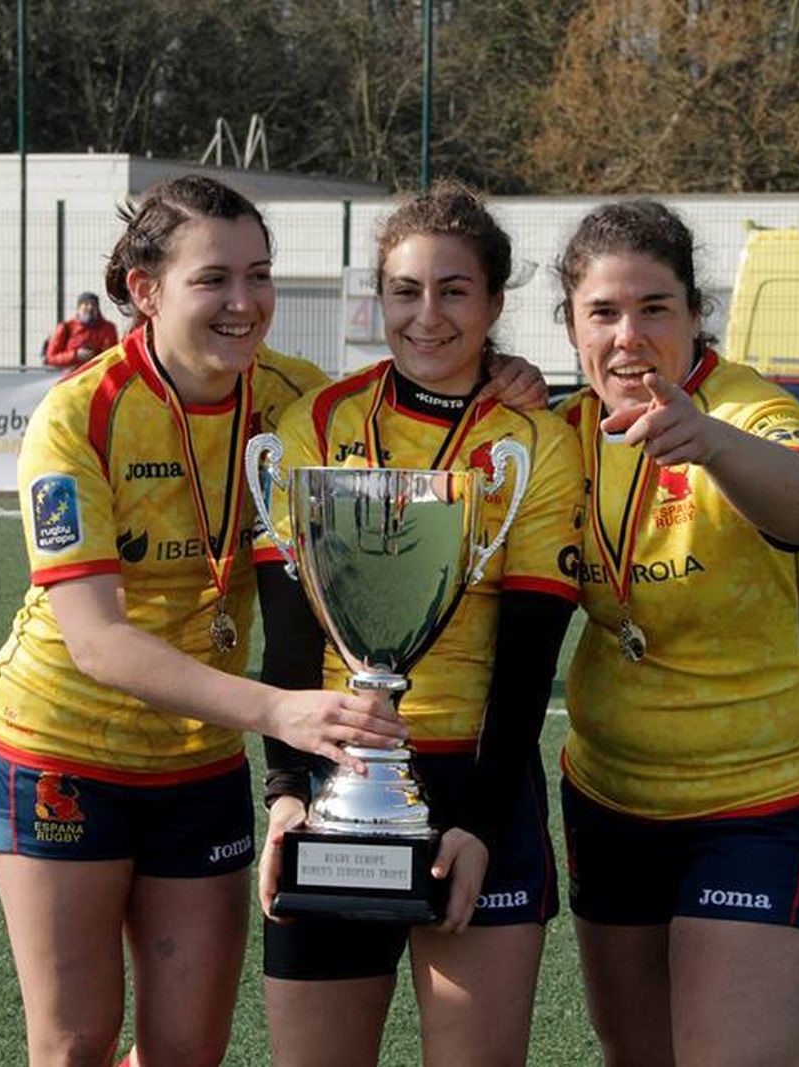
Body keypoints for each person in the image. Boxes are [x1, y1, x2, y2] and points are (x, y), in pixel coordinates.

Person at [0, 175, 413, 1067]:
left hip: (199, 761)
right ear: (146, 288)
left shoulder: (301, 399)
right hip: (61, 748)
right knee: (75, 1042)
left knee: (186, 1051)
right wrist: (278, 711)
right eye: (214, 279)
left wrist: (510, 374)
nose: (244, 303)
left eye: (260, 275)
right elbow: (95, 640)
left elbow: (429, 411)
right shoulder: (76, 416)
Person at [254, 181, 584, 1066]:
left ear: (494, 303)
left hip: (480, 787)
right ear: (380, 298)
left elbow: (529, 652)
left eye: (453, 291)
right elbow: (287, 637)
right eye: (405, 291)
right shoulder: (317, 423)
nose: (426, 315)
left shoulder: (534, 438)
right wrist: (286, 790)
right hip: (335, 786)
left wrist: (475, 820)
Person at [552, 200, 799, 1067]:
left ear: (694, 313)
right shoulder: (564, 431)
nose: (628, 336)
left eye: (655, 309)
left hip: (759, 801)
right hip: (609, 798)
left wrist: (712, 442)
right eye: (602, 312)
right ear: (572, 325)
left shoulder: (749, 411)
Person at [44, 291, 119, 369]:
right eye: (86, 304)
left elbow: (114, 355)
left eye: (93, 305)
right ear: (78, 308)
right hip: (73, 377)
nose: (90, 308)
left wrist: (96, 355)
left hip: (99, 376)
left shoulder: (108, 328)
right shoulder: (66, 327)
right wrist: (75, 355)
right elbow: (51, 358)